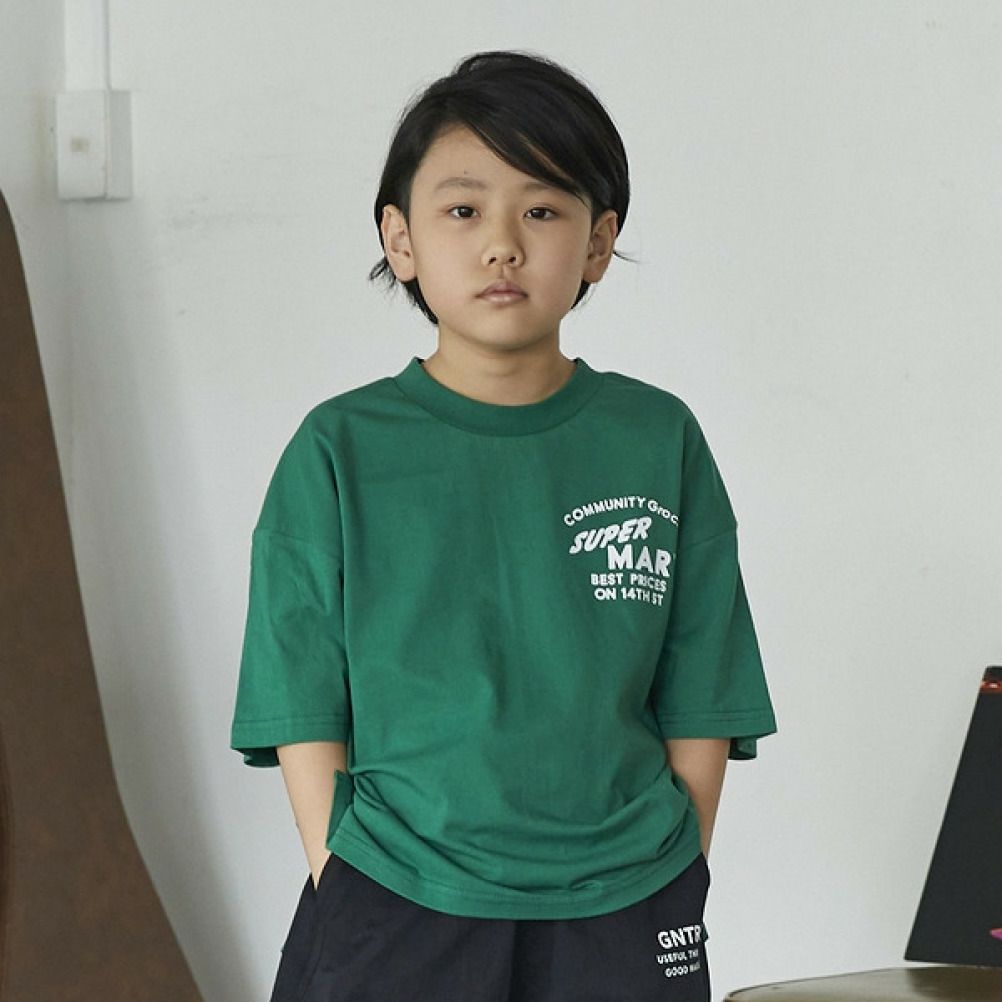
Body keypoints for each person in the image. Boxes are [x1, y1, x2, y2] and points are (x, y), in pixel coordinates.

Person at [230, 49, 777, 1002]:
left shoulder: (658, 438)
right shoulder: (339, 446)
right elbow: (298, 693)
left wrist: (677, 863)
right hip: (396, 892)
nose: (502, 245)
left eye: (542, 210)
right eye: (462, 210)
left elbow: (706, 684)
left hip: (627, 899)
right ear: (400, 239)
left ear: (599, 243)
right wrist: (340, 867)